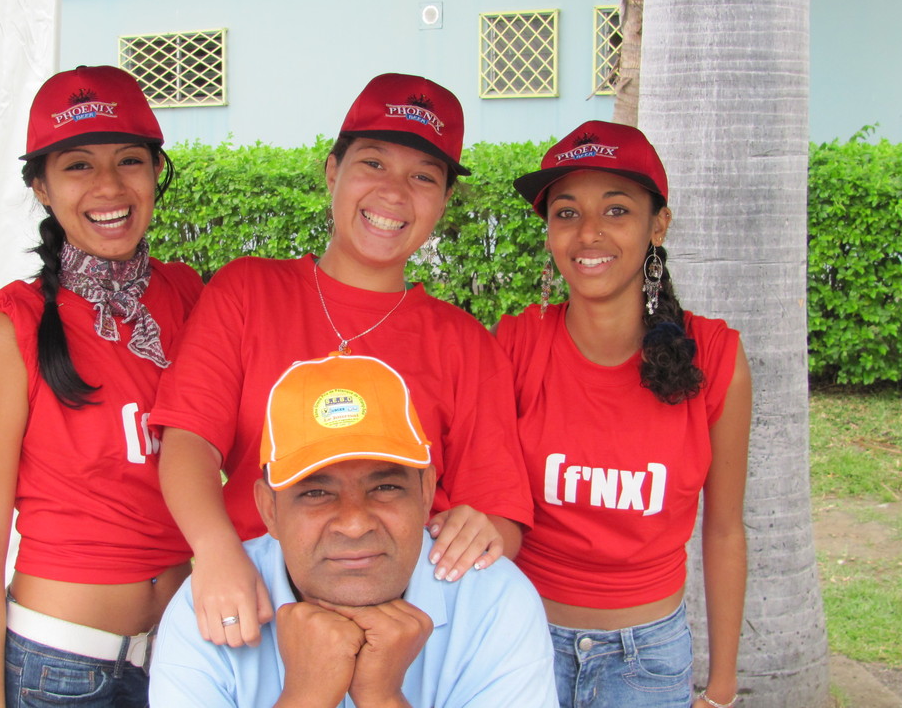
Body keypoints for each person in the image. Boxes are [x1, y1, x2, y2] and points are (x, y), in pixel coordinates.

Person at [150, 73, 534, 649]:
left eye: (424, 176)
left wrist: (483, 531)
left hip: (405, 634)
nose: (394, 192)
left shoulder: (465, 342)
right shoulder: (247, 291)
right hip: (256, 613)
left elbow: (498, 511)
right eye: (373, 163)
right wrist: (216, 550)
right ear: (333, 171)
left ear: (445, 202)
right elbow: (189, 443)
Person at [0, 65, 201, 708]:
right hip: (57, 670)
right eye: (77, 166)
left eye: (129, 160)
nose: (110, 185)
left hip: (185, 659)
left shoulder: (192, 297)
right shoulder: (11, 330)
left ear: (155, 172)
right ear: (40, 186)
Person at [495, 120, 752, 708]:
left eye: (616, 211)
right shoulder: (515, 346)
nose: (589, 233)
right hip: (521, 643)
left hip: (647, 663)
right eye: (566, 213)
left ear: (657, 224)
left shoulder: (715, 359)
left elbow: (725, 528)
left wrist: (722, 687)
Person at [149, 354, 556, 707]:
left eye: (385, 487)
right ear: (268, 510)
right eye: (316, 493)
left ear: (427, 490)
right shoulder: (208, 609)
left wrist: (383, 698)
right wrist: (305, 698)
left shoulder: (493, 599)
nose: (356, 523)